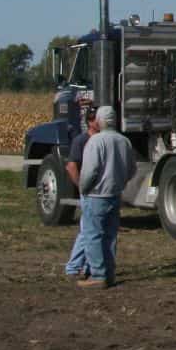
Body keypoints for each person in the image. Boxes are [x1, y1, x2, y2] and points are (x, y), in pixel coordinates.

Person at [74, 105, 136, 288]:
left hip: (96, 195)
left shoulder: (95, 141)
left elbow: (89, 171)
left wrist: (83, 188)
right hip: (115, 194)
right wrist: (120, 182)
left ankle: (98, 275)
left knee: (93, 235)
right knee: (110, 236)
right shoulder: (124, 141)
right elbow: (132, 169)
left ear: (100, 121)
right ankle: (109, 273)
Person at [61, 104, 98, 279]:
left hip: (98, 193)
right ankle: (74, 266)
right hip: (88, 192)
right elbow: (71, 166)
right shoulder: (81, 141)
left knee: (93, 231)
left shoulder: (102, 140)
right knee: (87, 231)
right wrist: (82, 187)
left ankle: (87, 266)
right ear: (90, 121)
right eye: (97, 118)